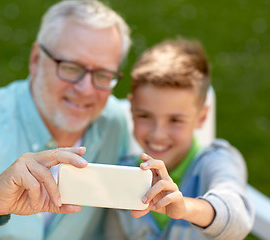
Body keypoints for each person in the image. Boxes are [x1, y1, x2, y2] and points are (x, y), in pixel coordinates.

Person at [0, 1, 144, 239]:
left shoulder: (118, 124)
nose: (85, 89)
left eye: (103, 74)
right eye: (72, 68)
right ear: (35, 59)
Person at [105, 38, 254, 239]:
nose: (158, 134)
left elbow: (238, 219)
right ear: (132, 109)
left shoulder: (217, 161)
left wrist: (185, 207)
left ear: (201, 117)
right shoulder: (121, 176)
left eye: (175, 120)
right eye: (145, 116)